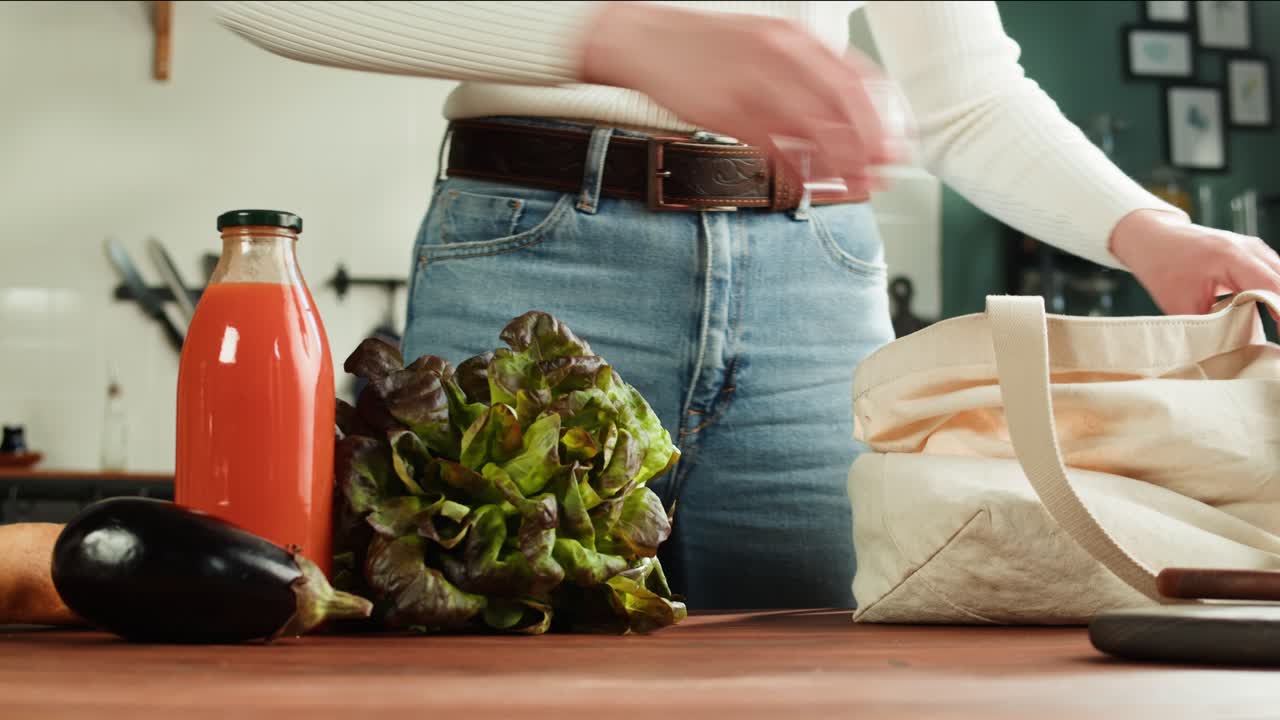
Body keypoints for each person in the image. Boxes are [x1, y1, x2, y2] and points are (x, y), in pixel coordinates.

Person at [213, 1, 1280, 610]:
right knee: (491, 674)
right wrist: (614, 34)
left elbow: (965, 94)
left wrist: (1148, 231)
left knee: (824, 670)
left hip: (811, 280)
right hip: (538, 254)